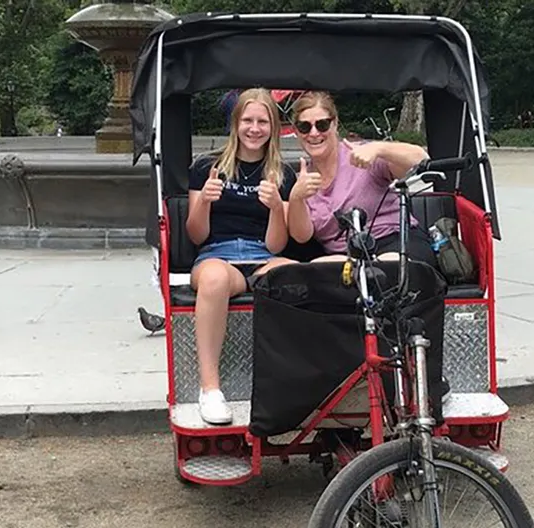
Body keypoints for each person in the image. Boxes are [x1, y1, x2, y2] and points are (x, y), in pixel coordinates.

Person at [187, 87, 297, 424]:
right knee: (216, 278)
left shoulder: (283, 174)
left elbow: (277, 246)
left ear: (273, 127)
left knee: (298, 277)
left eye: (262, 121)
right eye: (248, 120)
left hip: (262, 255)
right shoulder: (207, 167)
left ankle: (293, 383)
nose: (254, 128)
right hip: (217, 256)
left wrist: (278, 208)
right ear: (235, 123)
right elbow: (196, 235)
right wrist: (205, 200)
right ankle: (210, 389)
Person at [285, 91, 440, 270]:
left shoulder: (362, 154)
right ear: (296, 131)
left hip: (394, 240)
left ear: (334, 124)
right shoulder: (304, 180)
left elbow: (421, 160)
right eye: (304, 127)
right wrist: (297, 197)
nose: (314, 133)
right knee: (316, 270)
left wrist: (379, 148)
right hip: (345, 257)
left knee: (388, 267)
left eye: (322, 125)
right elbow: (302, 236)